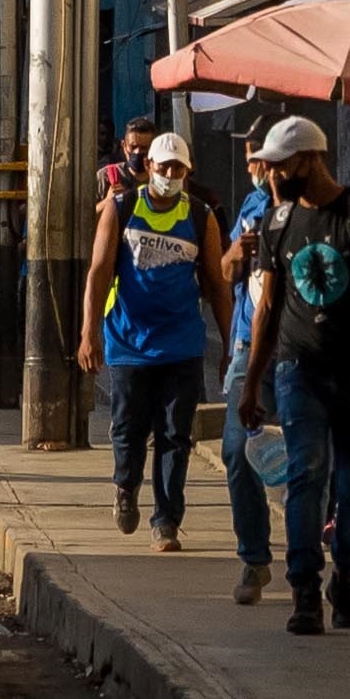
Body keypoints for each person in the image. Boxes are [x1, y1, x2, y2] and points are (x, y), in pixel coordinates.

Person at [235, 112, 350, 636]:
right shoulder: (279, 222)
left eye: (280, 166)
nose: (272, 177)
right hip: (298, 371)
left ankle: (346, 576)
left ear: (309, 160)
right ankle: (304, 587)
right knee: (306, 474)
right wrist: (250, 381)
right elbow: (267, 308)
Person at [77, 131, 212, 545]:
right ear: (148, 167)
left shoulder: (201, 216)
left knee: (175, 433)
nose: (170, 174)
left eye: (178, 168)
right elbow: (99, 271)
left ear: (188, 172)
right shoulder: (122, 208)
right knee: (128, 427)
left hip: (182, 343)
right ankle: (125, 486)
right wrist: (89, 331)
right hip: (129, 342)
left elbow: (217, 284)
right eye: (163, 166)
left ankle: (167, 520)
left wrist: (230, 344)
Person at [218, 128, 286, 604]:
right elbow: (226, 270)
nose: (251, 169)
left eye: (256, 159)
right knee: (237, 451)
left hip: (297, 348)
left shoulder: (309, 214)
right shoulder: (249, 206)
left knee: (308, 454)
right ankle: (254, 556)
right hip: (248, 345)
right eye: (247, 160)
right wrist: (236, 255)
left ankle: (314, 560)